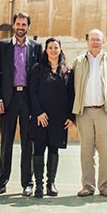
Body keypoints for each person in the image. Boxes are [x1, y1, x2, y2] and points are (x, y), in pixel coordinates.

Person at [0, 12, 43, 196]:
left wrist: (37, 104)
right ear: (13, 25)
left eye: (24, 24)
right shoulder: (2, 46)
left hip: (27, 100)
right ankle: (1, 182)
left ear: (28, 26)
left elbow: (39, 76)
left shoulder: (36, 47)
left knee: (28, 143)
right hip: (8, 100)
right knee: (6, 143)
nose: (20, 27)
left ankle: (27, 183)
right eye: (18, 24)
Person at [69, 29, 107, 197]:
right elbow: (71, 89)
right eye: (92, 39)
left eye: (98, 40)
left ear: (103, 42)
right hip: (84, 113)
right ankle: (88, 185)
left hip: (105, 112)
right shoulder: (78, 62)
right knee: (86, 152)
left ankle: (105, 186)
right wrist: (73, 113)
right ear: (87, 41)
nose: (95, 42)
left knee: (105, 152)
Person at [28, 37, 75, 198]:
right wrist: (38, 113)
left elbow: (71, 95)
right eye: (50, 48)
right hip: (41, 117)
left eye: (56, 48)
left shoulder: (67, 71)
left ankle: (51, 183)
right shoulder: (37, 69)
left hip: (59, 119)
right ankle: (39, 185)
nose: (53, 50)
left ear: (60, 50)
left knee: (54, 150)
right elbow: (32, 93)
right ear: (46, 50)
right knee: (39, 150)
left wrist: (71, 116)